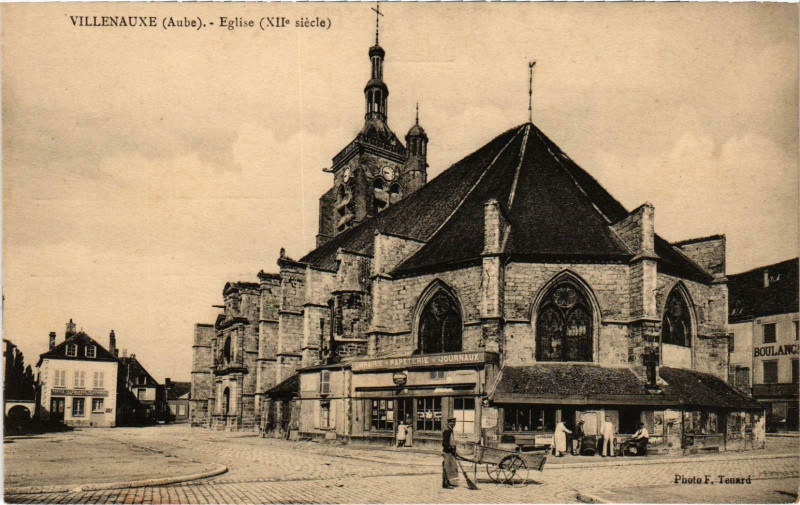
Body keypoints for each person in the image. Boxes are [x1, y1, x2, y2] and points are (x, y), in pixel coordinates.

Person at [442, 417, 459, 488]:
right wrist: (450, 448)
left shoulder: (451, 431)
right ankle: (445, 484)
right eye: (452, 423)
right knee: (446, 468)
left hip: (451, 453)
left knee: (451, 468)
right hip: (447, 453)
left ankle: (448, 482)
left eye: (454, 423)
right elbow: (444, 443)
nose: (453, 424)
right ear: (448, 423)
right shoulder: (447, 431)